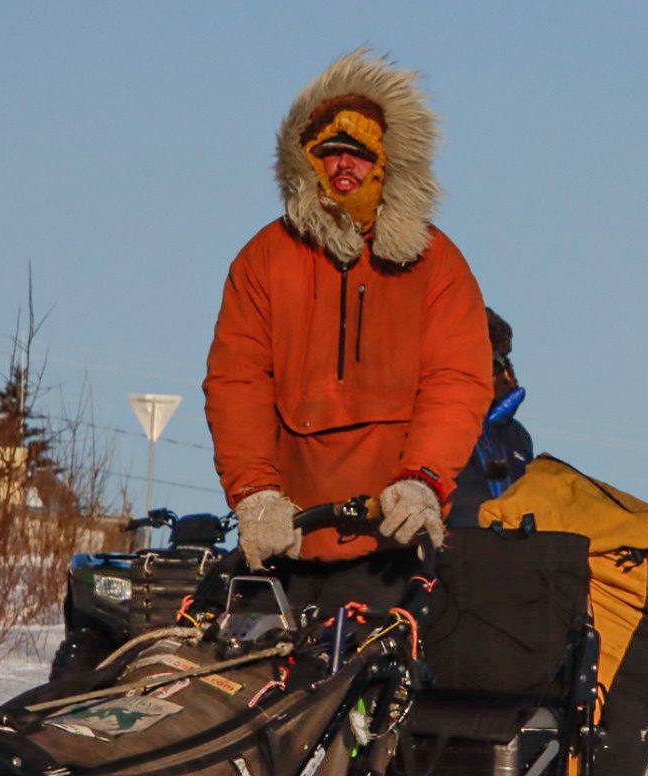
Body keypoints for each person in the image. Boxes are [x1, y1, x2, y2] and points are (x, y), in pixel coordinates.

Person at [203, 49, 492, 610]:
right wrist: (255, 492)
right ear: (304, 162)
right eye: (328, 153)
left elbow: (456, 381)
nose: (342, 168)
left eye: (359, 155)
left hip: (393, 540)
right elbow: (237, 382)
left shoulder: (437, 264)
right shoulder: (264, 259)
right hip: (286, 537)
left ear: (390, 164)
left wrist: (423, 480)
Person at [446, 307, 535, 527]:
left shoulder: (517, 436)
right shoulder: (427, 423)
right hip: (446, 554)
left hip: (511, 554)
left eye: (492, 362)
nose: (479, 371)